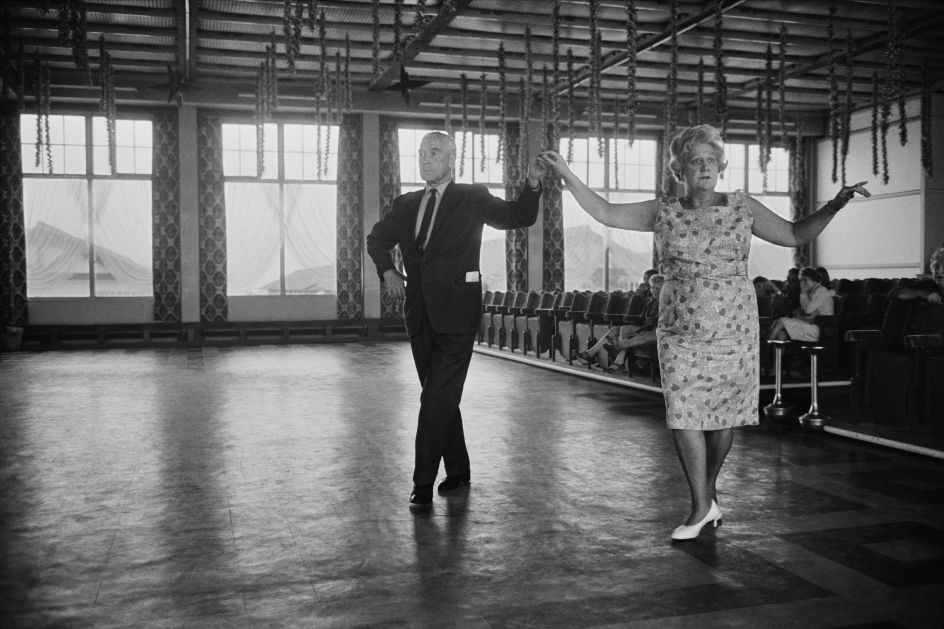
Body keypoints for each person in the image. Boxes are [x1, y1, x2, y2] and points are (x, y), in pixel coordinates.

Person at [539, 124, 870, 540]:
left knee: (721, 419)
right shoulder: (663, 211)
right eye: (695, 160)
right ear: (680, 169)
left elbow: (793, 233)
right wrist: (567, 173)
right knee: (683, 413)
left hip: (733, 327)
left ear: (721, 167)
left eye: (711, 160)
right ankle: (698, 506)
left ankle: (707, 495)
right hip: (679, 328)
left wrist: (835, 205)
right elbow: (604, 211)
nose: (704, 166)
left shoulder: (742, 207)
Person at [366, 131, 546, 508]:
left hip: (458, 315)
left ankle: (422, 482)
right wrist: (386, 272)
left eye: (434, 153)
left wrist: (531, 185)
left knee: (434, 398)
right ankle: (459, 469)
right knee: (441, 398)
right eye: (421, 153)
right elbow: (376, 239)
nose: (425, 158)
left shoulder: (471, 197)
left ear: (451, 160)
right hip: (419, 316)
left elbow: (518, 215)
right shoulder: (405, 204)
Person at [584, 274, 664, 370]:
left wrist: (640, 326)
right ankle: (592, 352)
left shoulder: (665, 302)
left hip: (654, 329)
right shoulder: (652, 301)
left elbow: (657, 322)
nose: (653, 291)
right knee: (618, 328)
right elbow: (642, 318)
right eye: (652, 288)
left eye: (657, 288)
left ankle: (619, 357)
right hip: (646, 326)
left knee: (625, 329)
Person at [767, 267, 835, 342]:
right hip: (809, 323)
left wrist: (803, 293)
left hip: (820, 328)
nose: (802, 283)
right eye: (801, 281)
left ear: (814, 280)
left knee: (780, 321)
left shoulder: (821, 291)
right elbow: (803, 310)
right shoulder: (811, 291)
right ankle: (776, 353)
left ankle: (764, 350)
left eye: (805, 280)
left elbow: (808, 309)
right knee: (781, 333)